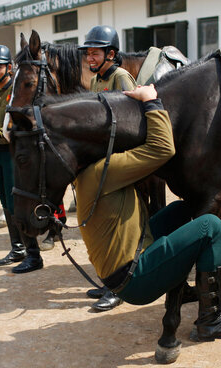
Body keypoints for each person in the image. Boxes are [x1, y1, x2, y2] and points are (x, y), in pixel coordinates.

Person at [74, 84, 221, 341]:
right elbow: (163, 148)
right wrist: (151, 102)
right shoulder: (102, 171)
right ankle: (211, 319)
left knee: (181, 210)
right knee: (211, 227)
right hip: (134, 280)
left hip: (129, 258)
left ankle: (181, 289)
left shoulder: (87, 174)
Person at [78, 25, 137, 311]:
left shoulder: (120, 77)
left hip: (120, 163)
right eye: (87, 53)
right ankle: (109, 282)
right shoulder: (95, 81)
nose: (89, 58)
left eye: (95, 53)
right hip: (103, 162)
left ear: (111, 54)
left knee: (118, 228)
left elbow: (133, 122)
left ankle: (120, 287)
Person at [0, 45, 43, 273]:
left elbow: (20, 123)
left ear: (9, 68)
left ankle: (34, 254)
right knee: (5, 201)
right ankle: (17, 248)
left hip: (15, 153)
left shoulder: (17, 91)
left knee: (18, 203)